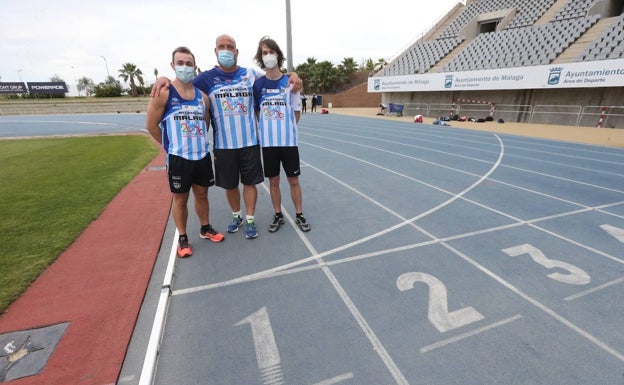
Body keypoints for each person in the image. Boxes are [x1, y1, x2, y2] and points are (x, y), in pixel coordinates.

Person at [151, 34, 302, 240]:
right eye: (221, 46)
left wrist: (293, 74)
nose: (226, 50)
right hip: (223, 145)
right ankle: (237, 216)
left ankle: (249, 219)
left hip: (249, 142)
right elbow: (182, 85)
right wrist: (163, 79)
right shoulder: (205, 79)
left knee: (250, 184)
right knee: (230, 185)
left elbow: (274, 75)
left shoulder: (251, 75)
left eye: (230, 47)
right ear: (215, 51)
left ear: (236, 52)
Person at [146, 46, 224, 257]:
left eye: (189, 64)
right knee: (180, 199)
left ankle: (205, 228)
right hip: (179, 158)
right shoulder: (164, 93)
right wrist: (169, 146)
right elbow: (152, 125)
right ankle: (182, 238)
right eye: (180, 63)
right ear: (173, 66)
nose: (185, 67)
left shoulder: (203, 98)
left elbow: (205, 124)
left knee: (202, 194)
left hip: (201, 155)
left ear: (194, 66)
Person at [252, 36, 310, 233]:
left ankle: (299, 215)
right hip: (268, 144)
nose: (268, 56)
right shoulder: (258, 85)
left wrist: (285, 127)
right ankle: (278, 215)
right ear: (261, 57)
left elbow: (296, 112)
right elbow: (258, 112)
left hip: (288, 143)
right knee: (274, 181)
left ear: (278, 55)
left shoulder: (291, 82)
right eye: (264, 53)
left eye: (271, 52)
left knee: (294, 180)